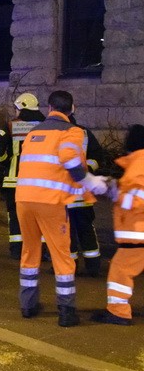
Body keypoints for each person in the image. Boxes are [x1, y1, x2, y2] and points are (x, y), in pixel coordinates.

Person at [14, 90, 108, 327]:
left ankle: (28, 306)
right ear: (72, 109)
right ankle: (66, 312)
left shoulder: (33, 132)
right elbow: (69, 158)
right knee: (62, 256)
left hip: (24, 199)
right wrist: (90, 182)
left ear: (49, 108)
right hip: (50, 202)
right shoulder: (72, 131)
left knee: (30, 251)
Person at [93, 125, 144, 325]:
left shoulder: (139, 164)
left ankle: (118, 312)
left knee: (119, 271)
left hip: (138, 233)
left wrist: (116, 193)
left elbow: (139, 198)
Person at [0, 92, 46, 259]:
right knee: (40, 217)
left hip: (15, 181)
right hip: (40, 182)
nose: (15, 112)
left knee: (15, 216)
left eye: (16, 109)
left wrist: (7, 163)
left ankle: (17, 250)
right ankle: (41, 252)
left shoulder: (10, 126)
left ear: (21, 107)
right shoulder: (46, 126)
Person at [67, 112, 105, 277]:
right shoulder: (84, 132)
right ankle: (93, 266)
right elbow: (97, 156)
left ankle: (70, 267)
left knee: (67, 233)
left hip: (63, 195)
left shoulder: (53, 133)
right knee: (86, 229)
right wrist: (87, 168)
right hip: (82, 193)